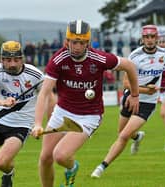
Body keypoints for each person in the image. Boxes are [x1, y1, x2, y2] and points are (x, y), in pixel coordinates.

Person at [30, 19, 140, 187]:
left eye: (82, 43)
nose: (77, 46)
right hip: (62, 111)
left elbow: (130, 66)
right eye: (74, 42)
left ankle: (72, 167)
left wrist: (135, 94)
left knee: (60, 156)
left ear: (88, 42)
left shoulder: (99, 58)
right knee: (45, 158)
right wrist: (38, 123)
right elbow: (44, 93)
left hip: (89, 116)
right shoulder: (58, 60)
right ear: (67, 41)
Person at [90, 25, 165, 179]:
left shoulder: (164, 54)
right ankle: (138, 137)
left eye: (153, 37)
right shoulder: (134, 56)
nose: (150, 40)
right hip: (131, 97)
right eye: (147, 37)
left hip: (147, 104)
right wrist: (146, 90)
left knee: (124, 136)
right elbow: (125, 84)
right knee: (122, 132)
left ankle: (102, 166)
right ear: (142, 38)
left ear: (157, 38)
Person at [0, 41, 45, 187]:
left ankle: (9, 172)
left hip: (21, 125)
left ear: (22, 59)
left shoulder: (35, 74)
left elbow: (49, 94)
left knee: (1, 162)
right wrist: (2, 102)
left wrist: (40, 123)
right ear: (1, 60)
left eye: (16, 60)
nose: (12, 64)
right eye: (8, 60)